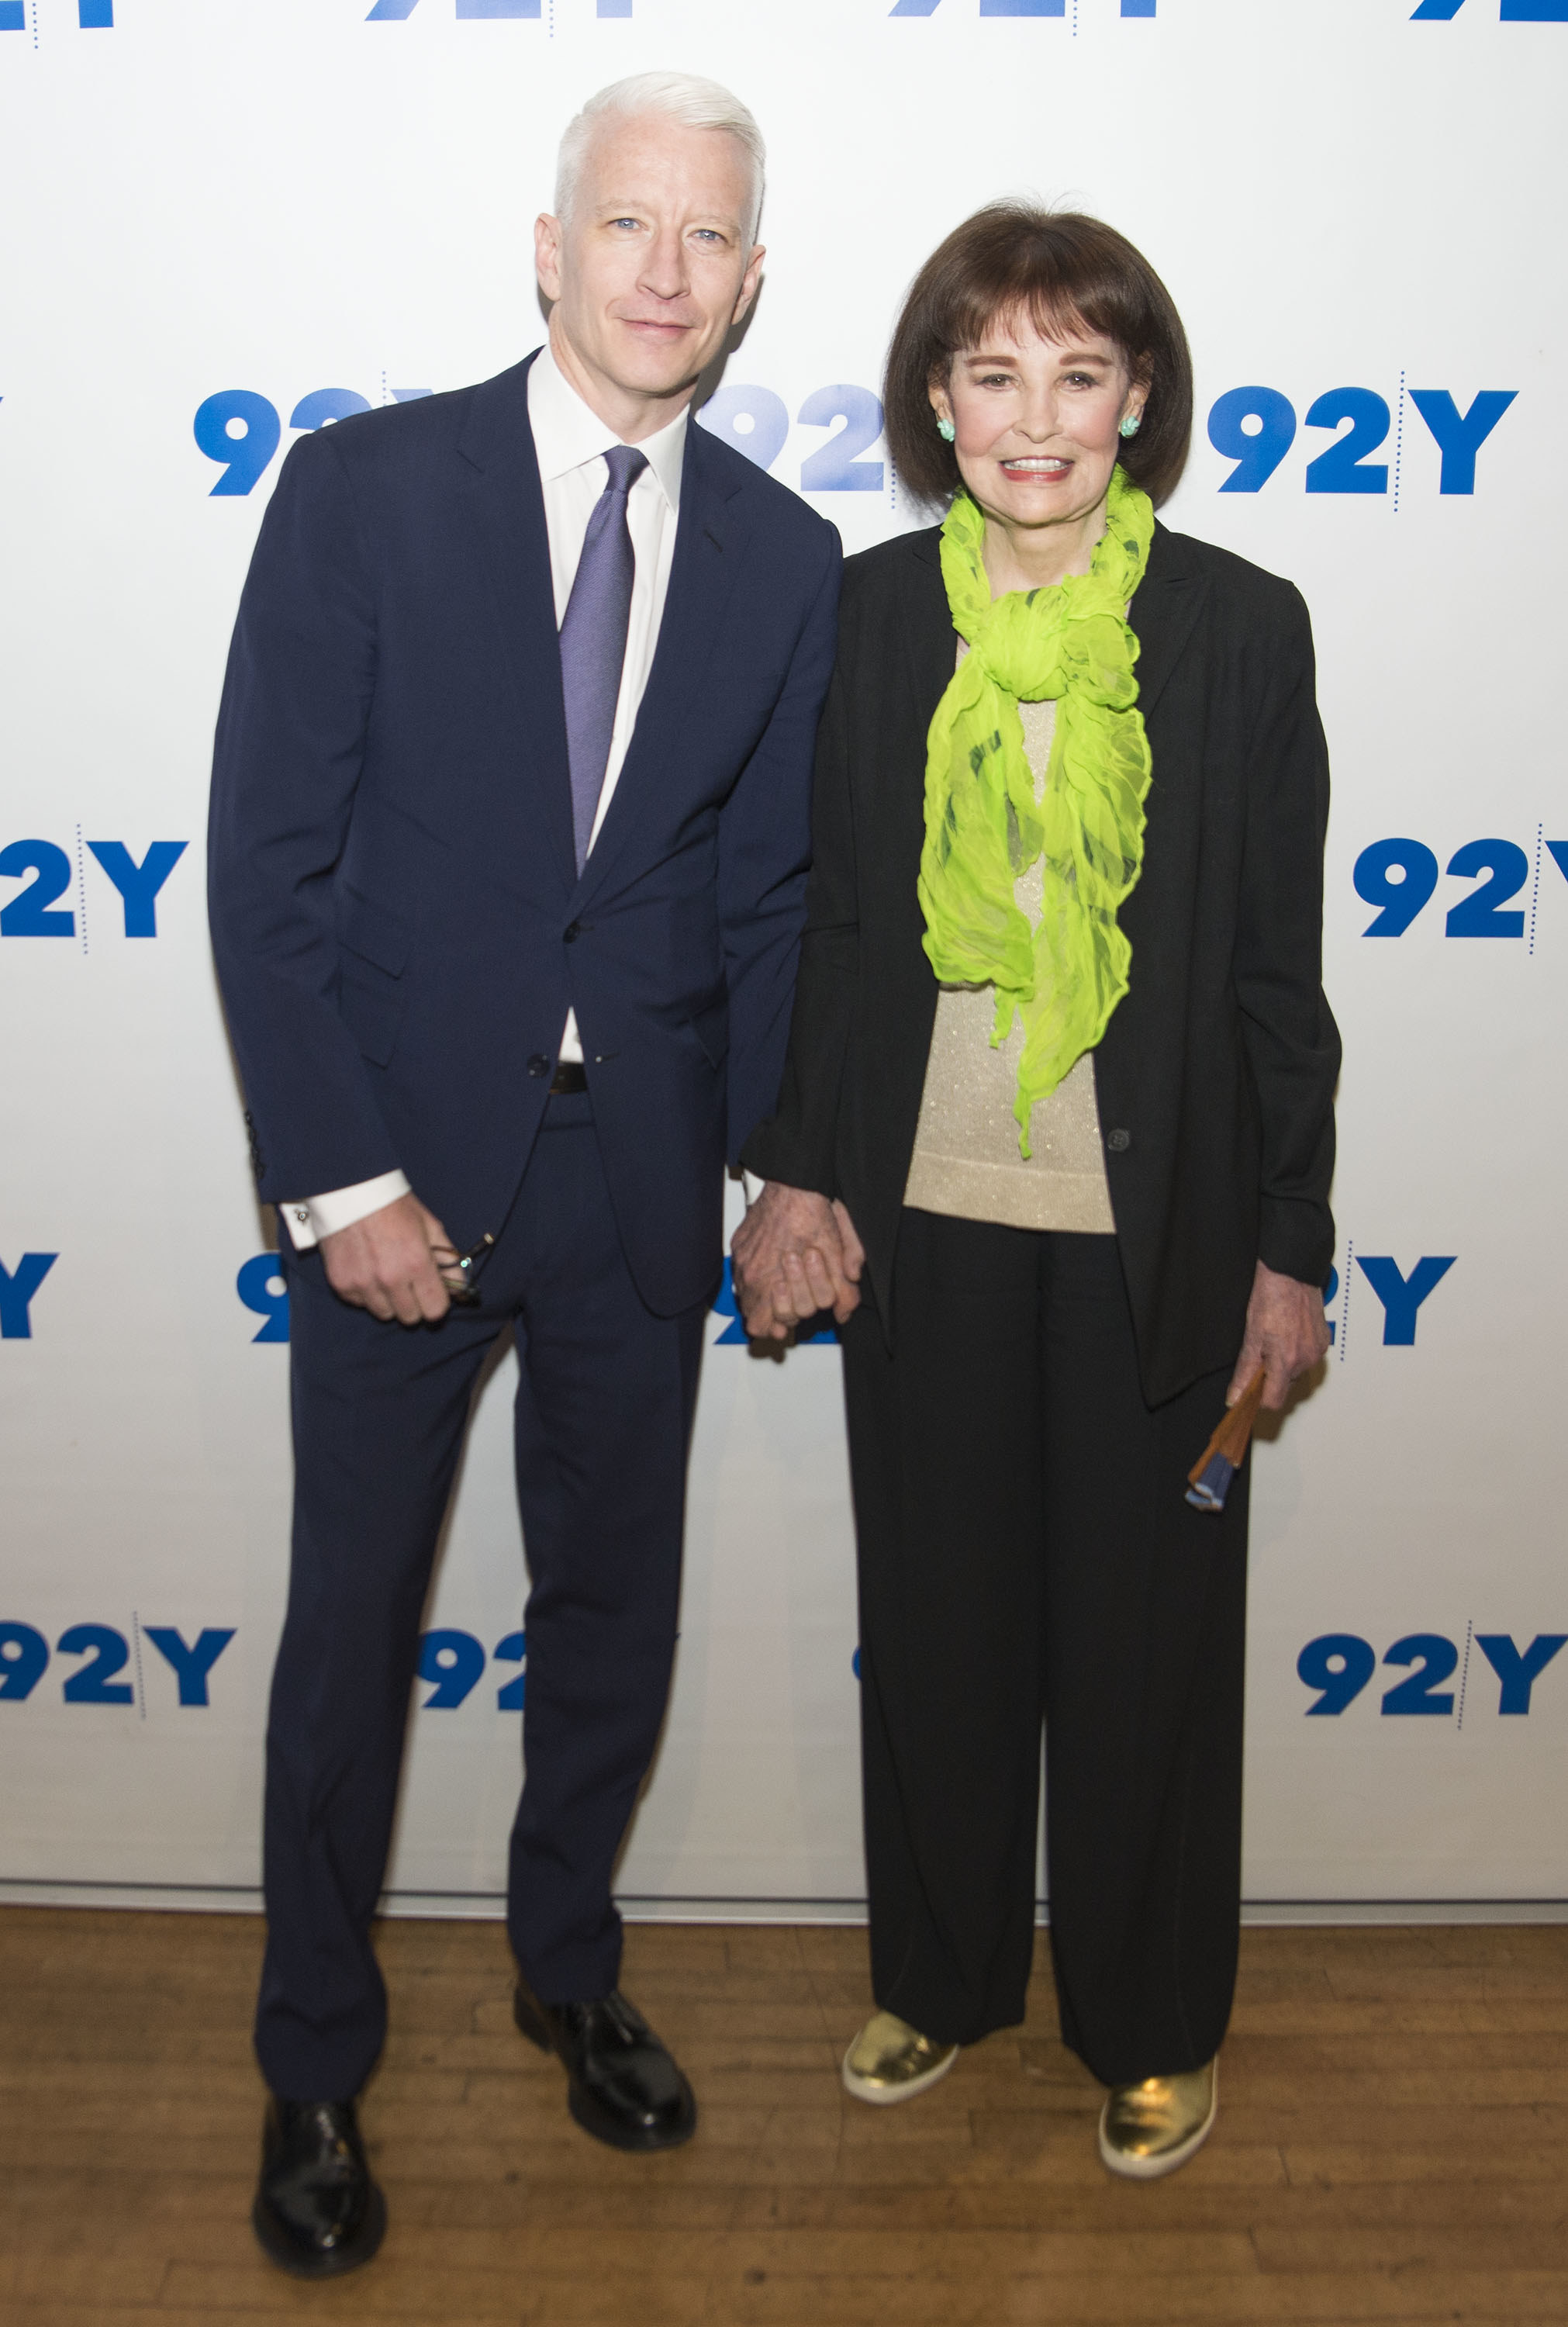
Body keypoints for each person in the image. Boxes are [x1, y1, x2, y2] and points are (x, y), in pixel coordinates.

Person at [208, 71, 839, 2276]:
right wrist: (338, 1177)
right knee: (346, 1645)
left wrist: (775, 1167)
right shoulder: (362, 492)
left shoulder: (779, 556)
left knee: (608, 1620)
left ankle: (567, 1967)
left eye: (709, 239)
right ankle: (311, 2064)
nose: (664, 272)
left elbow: (763, 901)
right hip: (393, 1186)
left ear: (753, 282)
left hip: (637, 1192)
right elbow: (265, 874)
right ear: (547, 245)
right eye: (627, 226)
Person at [734, 204, 1337, 2180]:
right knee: (940, 1626)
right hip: (925, 1221)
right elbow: (833, 926)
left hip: (1158, 1243)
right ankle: (942, 1976)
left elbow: (1272, 979)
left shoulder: (1242, 628)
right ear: (934, 398)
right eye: (993, 372)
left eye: (1080, 372)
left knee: (1150, 1653)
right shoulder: (876, 615)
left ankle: (1155, 2025)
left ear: (1138, 395)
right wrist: (798, 1179)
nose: (1037, 416)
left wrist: (1291, 1250)